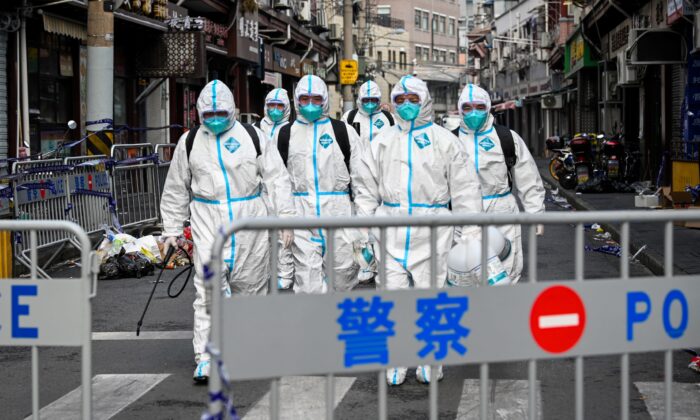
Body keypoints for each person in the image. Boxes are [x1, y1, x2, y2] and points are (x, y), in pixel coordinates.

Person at [160, 80, 295, 382]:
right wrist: (171, 229)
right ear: (199, 114)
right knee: (208, 290)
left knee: (251, 288)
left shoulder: (252, 136)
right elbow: (175, 187)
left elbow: (276, 179)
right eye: (209, 114)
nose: (215, 118)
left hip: (250, 220)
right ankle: (207, 356)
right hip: (208, 219)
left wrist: (285, 217)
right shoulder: (190, 141)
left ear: (232, 109)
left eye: (221, 112)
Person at [353, 75, 483, 386]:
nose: (407, 106)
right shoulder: (382, 140)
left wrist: (470, 234)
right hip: (389, 229)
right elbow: (365, 188)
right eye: (400, 100)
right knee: (392, 296)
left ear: (424, 102)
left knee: (433, 297)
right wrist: (364, 232)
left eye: (413, 100)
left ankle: (431, 360)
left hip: (433, 229)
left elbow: (465, 191)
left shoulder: (445, 141)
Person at [278, 74, 367, 294]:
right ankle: (314, 326)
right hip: (302, 215)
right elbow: (278, 181)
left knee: (344, 276)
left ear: (325, 100)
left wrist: (365, 221)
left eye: (316, 99)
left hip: (339, 214)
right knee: (308, 283)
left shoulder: (343, 131)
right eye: (305, 99)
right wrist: (285, 218)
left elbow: (361, 179)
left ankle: (336, 324)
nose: (310, 104)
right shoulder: (286, 134)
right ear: (297, 101)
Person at [455, 84, 545, 283]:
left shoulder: (506, 138)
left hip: (501, 212)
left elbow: (528, 178)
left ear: (488, 107)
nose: (473, 112)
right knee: (465, 274)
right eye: (467, 108)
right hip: (461, 217)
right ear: (460, 109)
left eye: (479, 107)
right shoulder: (449, 141)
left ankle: (504, 311)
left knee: (506, 270)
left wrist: (535, 213)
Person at [257, 88, 295, 290]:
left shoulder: (292, 130)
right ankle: (264, 271)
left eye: (280, 106)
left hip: (284, 187)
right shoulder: (256, 128)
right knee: (262, 235)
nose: (275, 109)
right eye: (271, 105)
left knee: (284, 234)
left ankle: (285, 273)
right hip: (260, 190)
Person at [341, 80, 395, 144]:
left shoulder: (389, 118)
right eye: (366, 100)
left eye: (373, 99)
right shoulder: (349, 117)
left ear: (379, 99)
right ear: (360, 100)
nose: (370, 103)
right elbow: (342, 143)